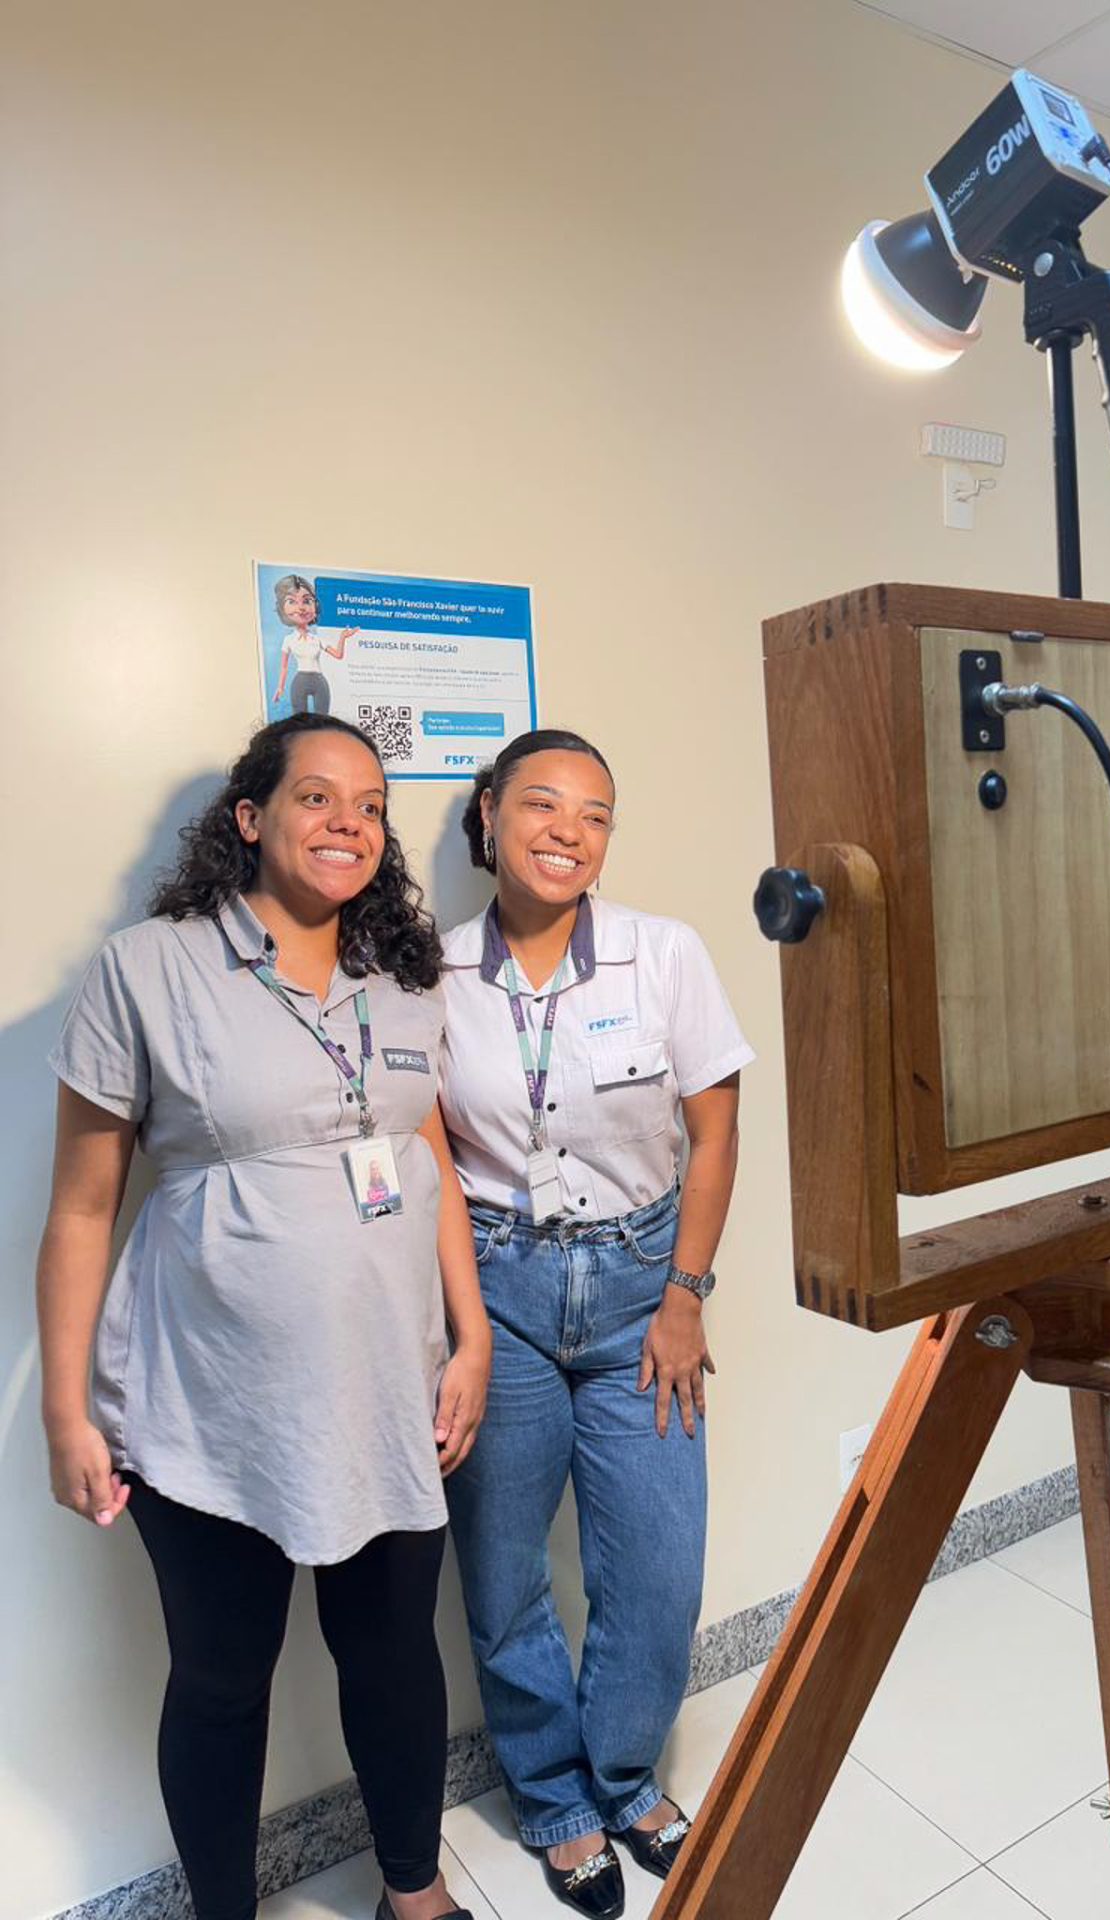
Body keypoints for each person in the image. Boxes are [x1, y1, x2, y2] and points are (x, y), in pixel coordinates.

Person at [36, 713, 491, 1920]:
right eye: (317, 797)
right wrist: (65, 1412)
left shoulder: (403, 977)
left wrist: (473, 1335)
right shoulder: (151, 968)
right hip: (208, 1402)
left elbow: (427, 1156)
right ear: (250, 817)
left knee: (394, 1655)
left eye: (371, 805)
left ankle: (414, 1891)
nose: (350, 822)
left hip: (388, 1388)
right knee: (223, 1679)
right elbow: (82, 1208)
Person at [439, 728, 753, 1918]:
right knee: (504, 1572)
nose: (568, 831)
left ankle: (624, 1778)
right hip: (499, 1295)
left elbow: (714, 1135)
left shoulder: (662, 954)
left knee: (659, 1569)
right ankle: (555, 1799)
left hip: (639, 1293)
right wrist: (464, 1326)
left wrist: (685, 1296)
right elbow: (427, 1148)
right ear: (488, 816)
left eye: (596, 813)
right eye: (542, 804)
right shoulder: (431, 973)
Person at [271, 572, 357, 715]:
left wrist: (343, 637)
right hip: (300, 680)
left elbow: (338, 655)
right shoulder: (289, 640)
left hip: (319, 680)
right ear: (283, 609)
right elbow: (284, 667)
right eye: (292, 601)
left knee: (323, 718)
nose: (301, 608)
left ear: (315, 607)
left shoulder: (317, 639)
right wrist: (280, 688)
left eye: (306, 601)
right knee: (300, 719)